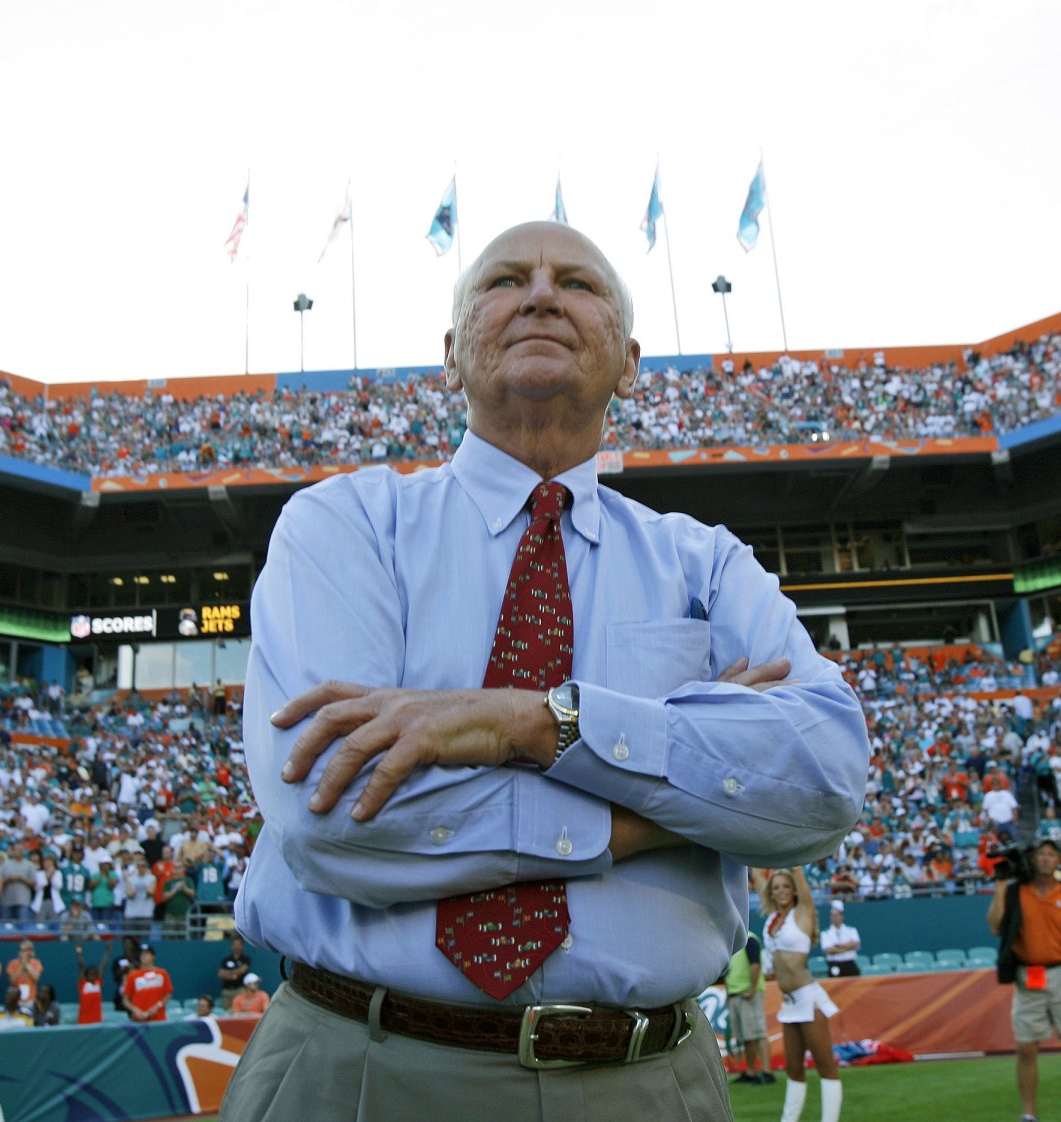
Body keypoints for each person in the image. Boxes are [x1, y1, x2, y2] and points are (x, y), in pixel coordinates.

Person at [219, 223, 868, 1122]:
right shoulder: (346, 525)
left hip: (651, 1081)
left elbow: (827, 774)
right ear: (451, 357)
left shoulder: (706, 564)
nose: (539, 294)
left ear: (630, 364)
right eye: (505, 279)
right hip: (360, 1066)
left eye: (577, 282)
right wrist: (676, 807)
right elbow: (333, 811)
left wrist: (534, 721)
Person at [987, 838, 1061, 1122]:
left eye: (1050, 854)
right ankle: (1028, 1115)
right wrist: (1000, 884)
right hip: (1029, 975)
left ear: (1058, 861)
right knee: (1026, 1047)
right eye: (1040, 853)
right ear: (1032, 859)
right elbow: (995, 925)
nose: (1044, 858)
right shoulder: (1016, 891)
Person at [762, 868, 843, 1122]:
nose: (782, 891)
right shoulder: (772, 920)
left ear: (795, 889)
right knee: (793, 1068)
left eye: (786, 886)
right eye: (776, 887)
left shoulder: (803, 913)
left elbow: (800, 875)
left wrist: (793, 864)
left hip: (808, 998)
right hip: (789, 1003)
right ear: (771, 893)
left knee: (825, 1065)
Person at [724, 930, 774, 1085]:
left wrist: (752, 989)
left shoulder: (749, 940)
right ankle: (751, 1071)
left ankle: (766, 1072)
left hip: (747, 993)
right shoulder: (734, 942)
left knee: (757, 1033)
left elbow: (755, 964)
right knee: (747, 1036)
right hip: (736, 993)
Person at [123, 943, 172, 1022]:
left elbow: (168, 995)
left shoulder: (162, 973)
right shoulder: (133, 975)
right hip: (139, 1018)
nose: (143, 956)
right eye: (141, 954)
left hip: (158, 1017)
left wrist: (157, 1006)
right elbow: (125, 1000)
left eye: (146, 953)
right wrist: (135, 1010)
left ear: (153, 956)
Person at [819, 900, 861, 977]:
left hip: (849, 964)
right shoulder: (825, 933)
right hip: (834, 964)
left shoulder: (851, 929)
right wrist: (847, 948)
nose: (835, 918)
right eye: (832, 915)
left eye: (837, 915)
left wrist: (838, 946)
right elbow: (829, 950)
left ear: (842, 916)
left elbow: (855, 943)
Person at [77, 943, 111, 1025]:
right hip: (84, 1020)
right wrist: (79, 951)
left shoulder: (98, 983)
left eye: (95, 974)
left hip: (97, 1019)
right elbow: (81, 965)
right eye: (91, 974)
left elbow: (103, 965)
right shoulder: (83, 984)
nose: (93, 976)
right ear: (86, 975)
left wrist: (108, 951)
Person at [6, 939, 44, 1013]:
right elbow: (12, 981)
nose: (22, 953)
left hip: (31, 1000)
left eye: (24, 950)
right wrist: (21, 965)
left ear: (30, 951)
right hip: (17, 1001)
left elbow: (36, 977)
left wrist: (27, 964)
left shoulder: (36, 962)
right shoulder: (13, 963)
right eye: (21, 950)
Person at [217, 934, 252, 1012]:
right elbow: (220, 974)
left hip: (240, 990)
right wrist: (233, 975)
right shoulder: (226, 960)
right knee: (224, 1012)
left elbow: (242, 970)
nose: (236, 947)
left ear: (242, 946)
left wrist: (228, 973)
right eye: (234, 944)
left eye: (238, 945)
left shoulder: (245, 959)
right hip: (227, 990)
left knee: (240, 1011)